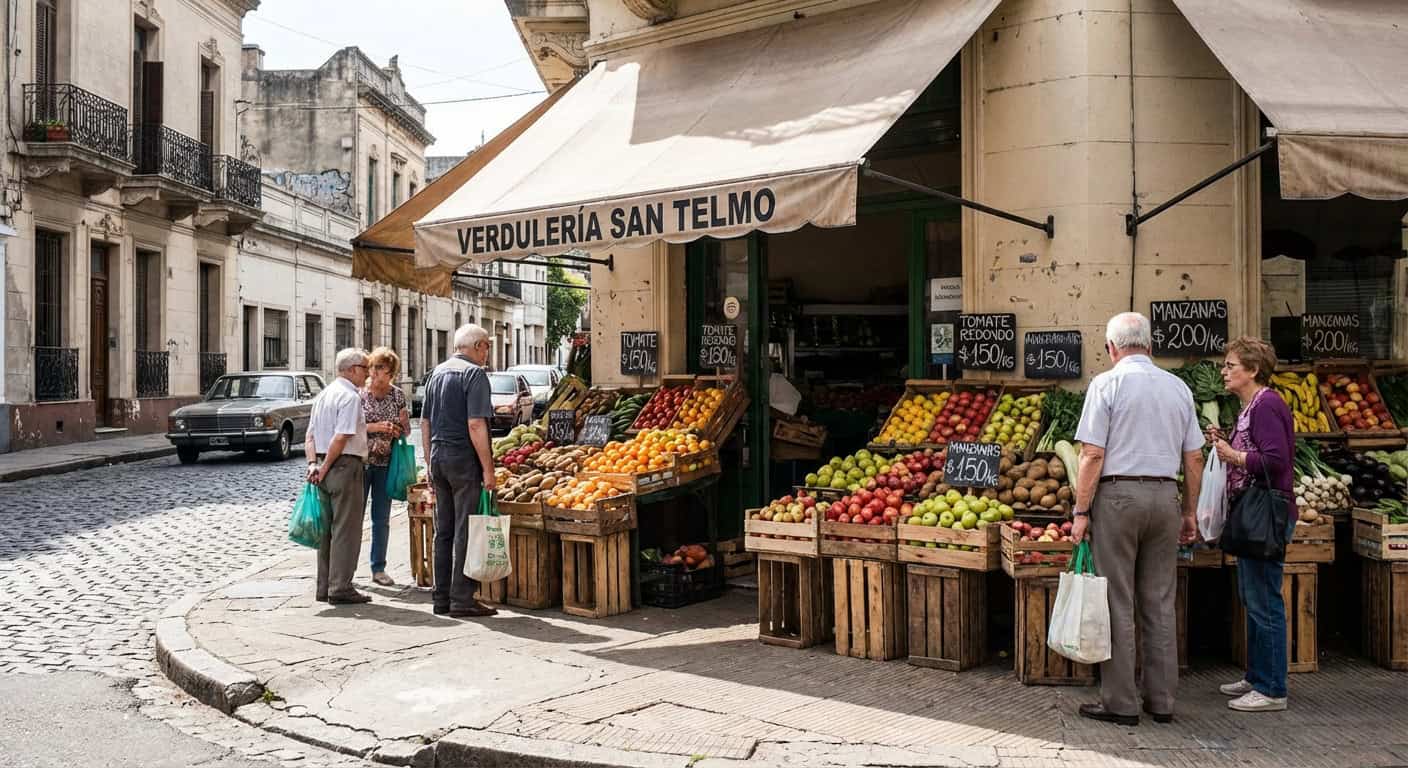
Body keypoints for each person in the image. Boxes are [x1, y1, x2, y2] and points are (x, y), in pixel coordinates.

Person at [1070, 312, 1204, 726]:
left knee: (1118, 599)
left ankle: (1122, 703)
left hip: (1118, 498)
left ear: (1111, 348)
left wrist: (1080, 510)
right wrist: (1189, 511)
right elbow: (1194, 458)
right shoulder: (1178, 387)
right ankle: (1161, 701)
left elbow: (1092, 454)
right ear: (1150, 345)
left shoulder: (1106, 384)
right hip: (1165, 495)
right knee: (1160, 601)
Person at [1209, 337, 1296, 712]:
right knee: (1253, 597)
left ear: (1254, 370)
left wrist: (1234, 455)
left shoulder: (1267, 405)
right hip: (1252, 513)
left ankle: (1273, 688)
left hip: (1267, 514)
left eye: (1230, 365)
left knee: (1265, 601)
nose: (1224, 371)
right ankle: (1257, 676)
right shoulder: (1250, 407)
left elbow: (1276, 461)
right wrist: (1224, 445)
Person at [420, 324, 498, 618]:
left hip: (439, 456)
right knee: (465, 528)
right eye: (487, 346)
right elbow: (476, 424)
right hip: (463, 459)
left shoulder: (436, 373)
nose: (487, 353)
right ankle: (462, 599)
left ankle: (441, 597)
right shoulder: (474, 374)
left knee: (444, 530)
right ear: (478, 346)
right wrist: (488, 469)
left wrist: (429, 463)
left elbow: (425, 423)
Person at [304, 348, 372, 605]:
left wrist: (314, 464)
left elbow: (310, 436)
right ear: (352, 369)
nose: (367, 374)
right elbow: (342, 436)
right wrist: (324, 466)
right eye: (365, 368)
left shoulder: (324, 395)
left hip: (323, 463)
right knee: (346, 529)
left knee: (326, 531)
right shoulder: (350, 397)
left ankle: (325, 586)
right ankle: (341, 586)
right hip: (343, 465)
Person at [360, 346, 411, 587]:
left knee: (381, 519)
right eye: (374, 367)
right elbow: (350, 427)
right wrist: (376, 427)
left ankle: (378, 568)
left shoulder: (397, 395)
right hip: (360, 463)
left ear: (391, 373)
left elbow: (406, 430)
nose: (376, 372)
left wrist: (398, 428)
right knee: (353, 519)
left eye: (382, 368)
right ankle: (346, 569)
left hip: (386, 465)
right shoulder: (359, 394)